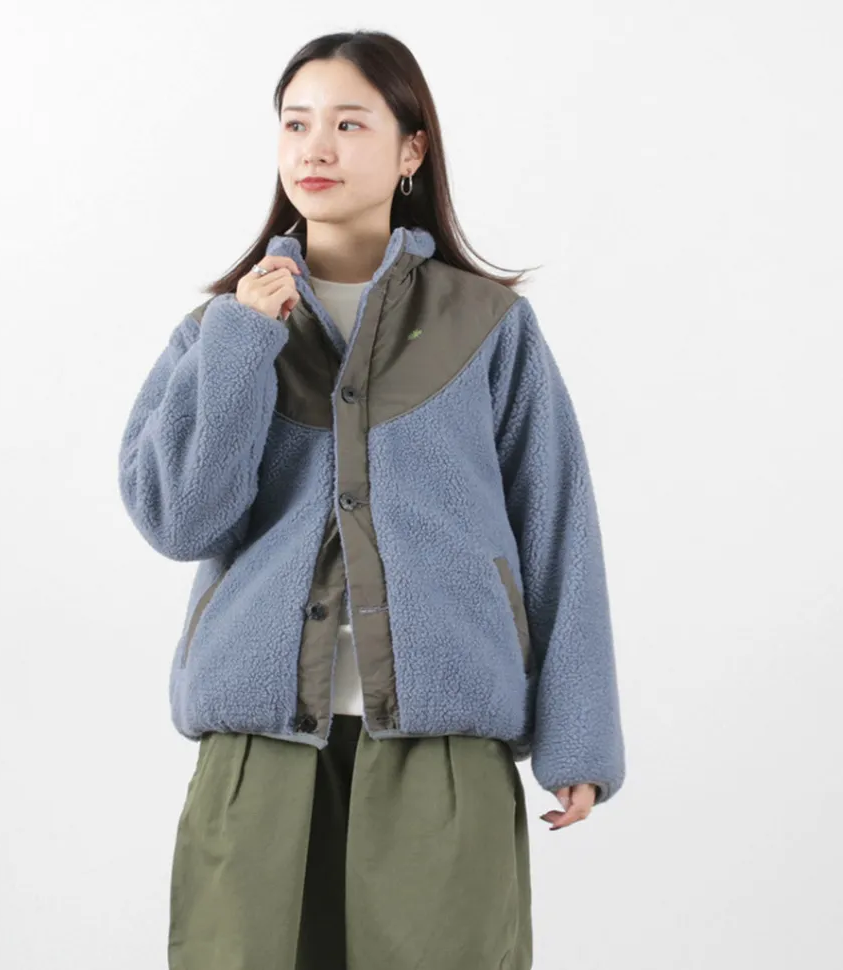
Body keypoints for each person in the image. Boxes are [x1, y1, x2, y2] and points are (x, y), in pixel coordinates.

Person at [117, 28, 626, 970]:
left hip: (444, 748)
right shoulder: (222, 330)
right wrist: (242, 345)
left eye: (349, 124)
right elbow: (180, 520)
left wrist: (579, 739)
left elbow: (558, 527)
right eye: (296, 123)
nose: (315, 147)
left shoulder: (487, 327)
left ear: (410, 149)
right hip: (259, 748)